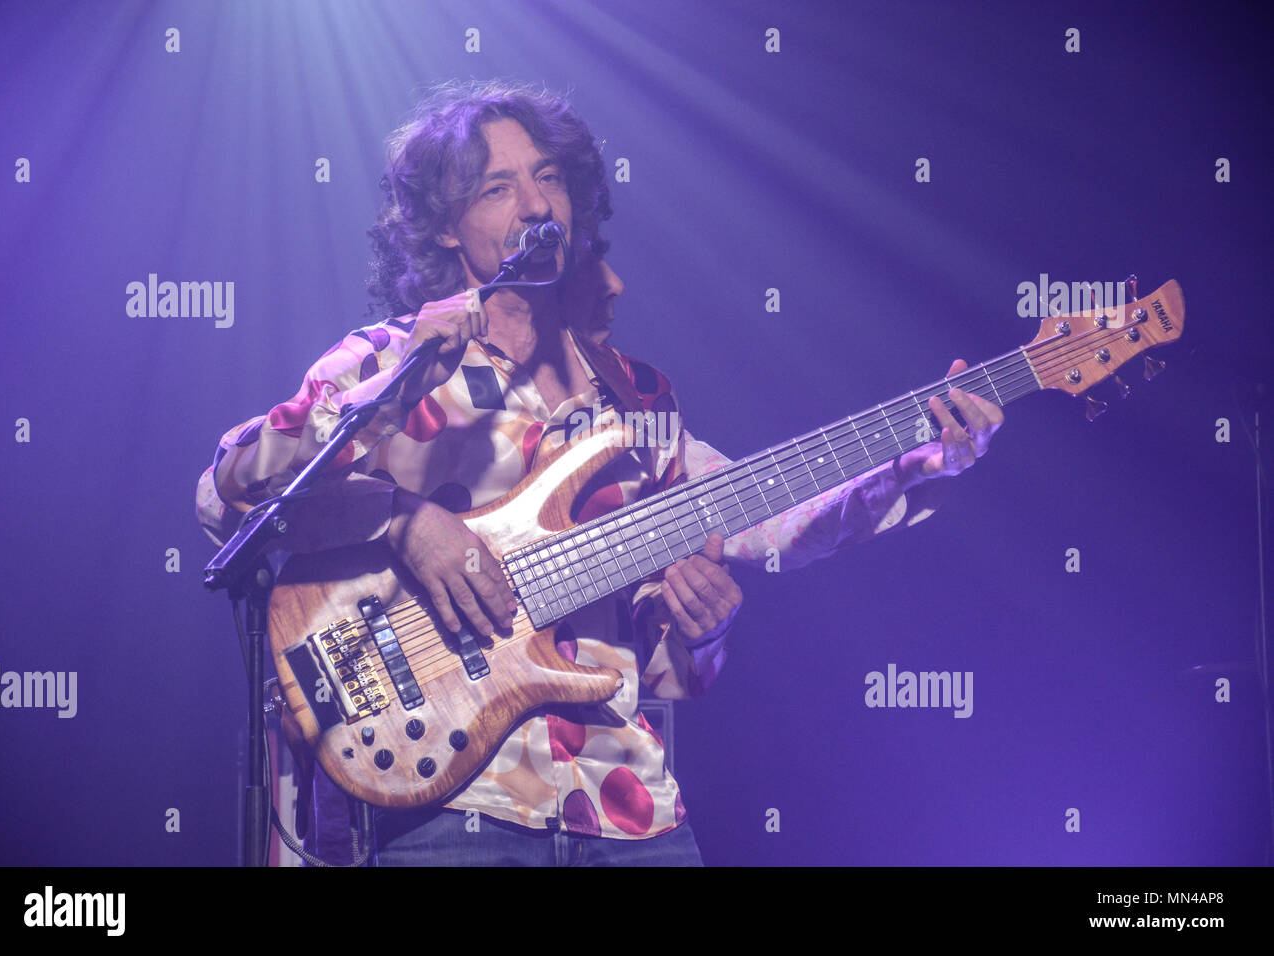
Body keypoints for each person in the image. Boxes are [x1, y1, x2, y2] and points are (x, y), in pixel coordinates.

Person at [195, 80, 1003, 866]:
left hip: (626, 801)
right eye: (498, 188)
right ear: (446, 227)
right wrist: (404, 520)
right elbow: (228, 492)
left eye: (548, 178)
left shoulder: (636, 394)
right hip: (458, 802)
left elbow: (748, 546)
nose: (537, 206)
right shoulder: (390, 357)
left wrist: (919, 462)